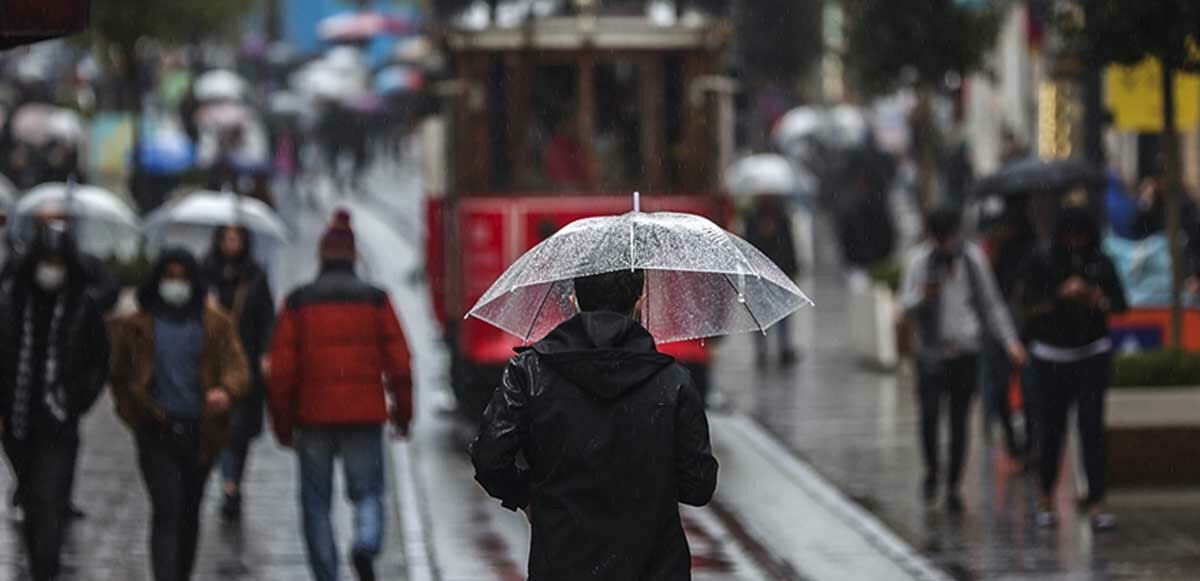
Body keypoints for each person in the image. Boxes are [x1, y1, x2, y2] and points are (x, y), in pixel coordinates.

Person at [470, 268, 720, 580]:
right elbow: (699, 485)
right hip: (654, 568)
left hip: (562, 564)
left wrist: (529, 496)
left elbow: (490, 458)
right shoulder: (673, 382)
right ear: (640, 301)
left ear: (574, 301)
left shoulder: (530, 372)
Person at [267, 209, 412, 581]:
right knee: (368, 492)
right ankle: (365, 542)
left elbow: (281, 372)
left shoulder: (299, 302)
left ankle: (327, 574)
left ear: (320, 256)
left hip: (312, 418)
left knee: (316, 504)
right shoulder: (376, 300)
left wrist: (283, 426)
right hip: (364, 414)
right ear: (353, 257)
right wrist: (403, 414)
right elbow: (400, 363)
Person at [109, 248, 249, 581]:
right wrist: (135, 413)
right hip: (156, 430)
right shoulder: (137, 326)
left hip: (200, 432)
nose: (176, 285)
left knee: (189, 511)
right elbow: (119, 375)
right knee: (167, 510)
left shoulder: (215, 324)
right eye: (169, 277)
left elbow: (237, 366)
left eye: (182, 278)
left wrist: (225, 391)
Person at [0, 224, 109, 581]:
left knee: (50, 502)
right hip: (16, 421)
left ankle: (46, 571)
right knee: (32, 501)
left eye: (58, 261)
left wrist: (77, 399)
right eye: (46, 260)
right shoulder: (10, 300)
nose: (51, 268)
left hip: (59, 421)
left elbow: (98, 358)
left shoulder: (82, 305)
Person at [900, 208, 1026, 512]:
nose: (944, 245)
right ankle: (932, 471)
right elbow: (905, 304)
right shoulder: (919, 261)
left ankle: (954, 484)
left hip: (966, 352)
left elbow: (991, 303)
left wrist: (1010, 343)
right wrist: (923, 296)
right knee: (929, 416)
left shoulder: (972, 261)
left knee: (959, 420)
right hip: (931, 352)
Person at [1017, 207, 1128, 530]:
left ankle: (1096, 502)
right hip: (1051, 357)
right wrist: (1059, 296)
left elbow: (1121, 304)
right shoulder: (1042, 261)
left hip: (1092, 354)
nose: (1076, 243)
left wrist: (1096, 298)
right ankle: (1046, 498)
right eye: (1070, 237)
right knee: (1051, 431)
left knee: (1092, 430)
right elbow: (1026, 305)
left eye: (1082, 237)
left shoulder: (1100, 262)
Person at [201, 226, 275, 522]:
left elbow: (267, 317)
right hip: (211, 362)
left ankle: (233, 483)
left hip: (244, 362)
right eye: (227, 238)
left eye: (237, 239)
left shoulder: (255, 275)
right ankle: (228, 483)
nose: (231, 244)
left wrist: (265, 354)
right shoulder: (205, 273)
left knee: (239, 429)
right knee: (218, 424)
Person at [743, 195, 801, 366]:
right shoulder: (752, 218)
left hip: (780, 271)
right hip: (759, 273)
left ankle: (784, 349)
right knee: (760, 314)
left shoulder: (781, 216)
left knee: (783, 314)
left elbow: (788, 244)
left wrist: (792, 269)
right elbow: (748, 245)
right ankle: (761, 351)